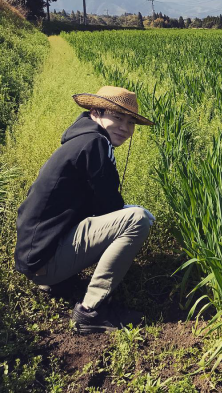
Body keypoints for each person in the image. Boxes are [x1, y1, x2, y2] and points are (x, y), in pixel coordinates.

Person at [14, 86, 155, 333]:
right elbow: (109, 205)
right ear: (95, 113)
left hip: (36, 255)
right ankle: (91, 311)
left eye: (131, 122)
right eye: (118, 117)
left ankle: (59, 280)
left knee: (128, 214)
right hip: (43, 263)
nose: (125, 127)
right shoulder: (95, 143)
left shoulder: (82, 139)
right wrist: (130, 209)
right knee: (138, 218)